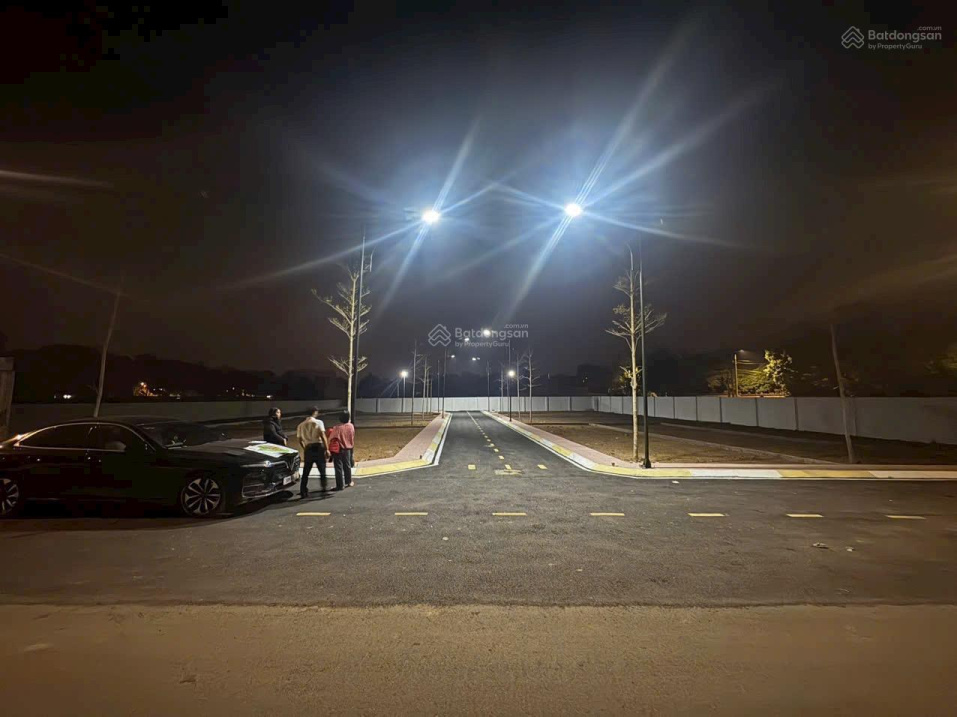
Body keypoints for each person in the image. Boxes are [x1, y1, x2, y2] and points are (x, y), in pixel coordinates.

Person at [295, 407, 329, 497]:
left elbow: (299, 440)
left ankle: (303, 490)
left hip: (308, 448)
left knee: (306, 471)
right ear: (315, 412)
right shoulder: (319, 422)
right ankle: (324, 488)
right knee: (322, 469)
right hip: (318, 447)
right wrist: (327, 449)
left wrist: (305, 447)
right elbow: (323, 436)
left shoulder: (301, 425)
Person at [328, 410, 356, 490]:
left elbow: (331, 438)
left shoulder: (337, 428)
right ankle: (349, 481)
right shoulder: (351, 426)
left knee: (338, 467)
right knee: (347, 465)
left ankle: (340, 485)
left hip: (338, 449)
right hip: (348, 449)